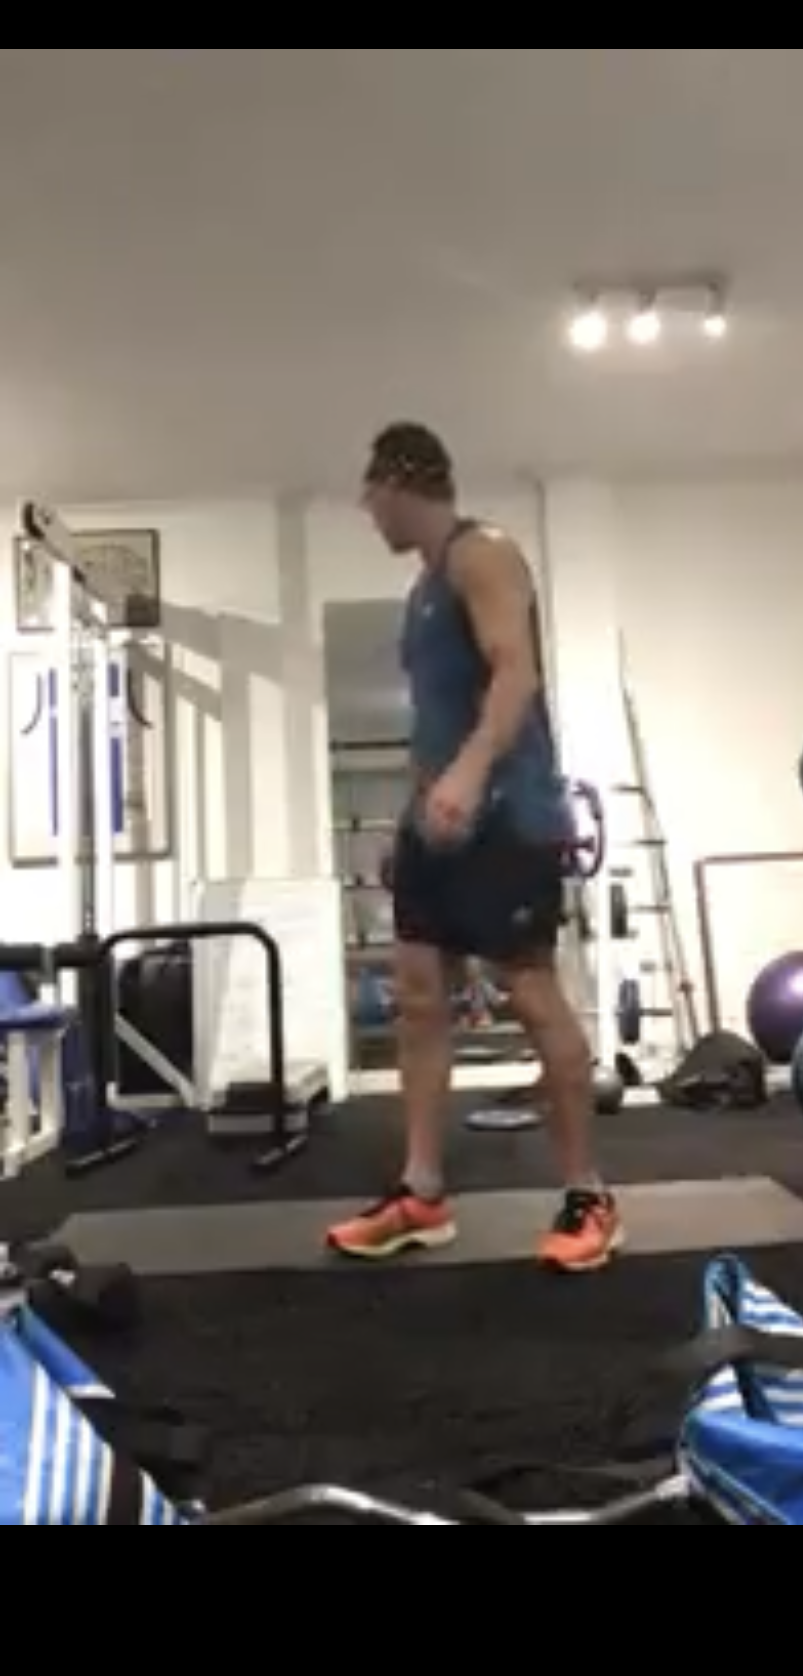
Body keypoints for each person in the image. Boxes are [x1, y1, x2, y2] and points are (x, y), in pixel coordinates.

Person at [326, 423, 621, 1271]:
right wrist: (412, 817)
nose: (367, 512)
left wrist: (471, 771)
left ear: (397, 483)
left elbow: (515, 671)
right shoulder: (422, 588)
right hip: (441, 823)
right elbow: (436, 720)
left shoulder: (481, 552)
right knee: (419, 996)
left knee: (529, 992)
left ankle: (589, 1196)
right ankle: (420, 1193)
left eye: (370, 496)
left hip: (508, 817)